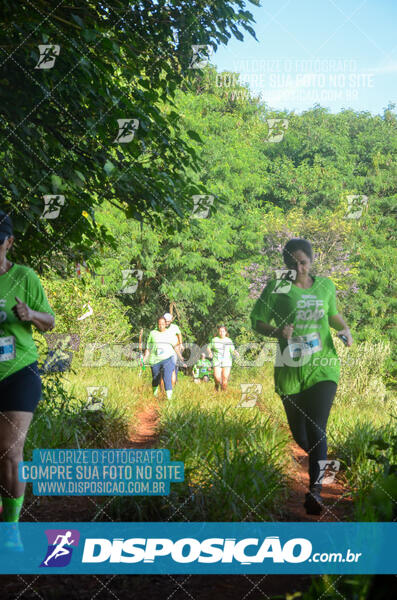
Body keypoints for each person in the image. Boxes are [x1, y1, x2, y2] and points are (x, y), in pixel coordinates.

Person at [250, 238, 353, 515]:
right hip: (290, 369)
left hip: (323, 366)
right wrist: (276, 331)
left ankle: (315, 492)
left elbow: (333, 315)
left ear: (312, 260)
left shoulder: (325, 286)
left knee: (318, 425)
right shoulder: (279, 285)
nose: (299, 267)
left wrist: (344, 329)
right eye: (293, 263)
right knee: (301, 435)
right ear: (286, 264)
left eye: (304, 261)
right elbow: (256, 319)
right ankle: (323, 461)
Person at [0, 210, 55, 545]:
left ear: (9, 242)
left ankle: (12, 529)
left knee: (9, 450)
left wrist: (29, 314)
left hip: (19, 371)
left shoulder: (24, 277)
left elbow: (49, 321)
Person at [143, 316, 186, 400]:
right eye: (159, 324)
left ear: (165, 324)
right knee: (156, 379)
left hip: (168, 359)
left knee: (167, 378)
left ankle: (169, 400)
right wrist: (144, 358)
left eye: (163, 324)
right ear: (157, 324)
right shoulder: (152, 333)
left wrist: (180, 356)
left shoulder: (170, 334)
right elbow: (148, 348)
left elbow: (175, 347)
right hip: (155, 360)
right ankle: (155, 396)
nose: (161, 326)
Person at [207, 325, 239, 392]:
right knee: (217, 378)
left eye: (223, 331)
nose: (221, 333)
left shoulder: (229, 340)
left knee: (224, 380)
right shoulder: (214, 339)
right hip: (217, 361)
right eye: (220, 331)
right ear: (218, 332)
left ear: (226, 332)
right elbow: (208, 347)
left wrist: (235, 352)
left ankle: (222, 395)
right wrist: (210, 352)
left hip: (227, 362)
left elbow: (232, 349)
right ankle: (216, 386)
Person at [163, 312, 183, 386]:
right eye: (166, 321)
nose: (167, 323)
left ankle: (174, 382)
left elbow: (179, 334)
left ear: (171, 321)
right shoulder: (161, 326)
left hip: (175, 348)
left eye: (168, 321)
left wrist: (181, 344)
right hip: (164, 349)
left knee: (174, 366)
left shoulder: (175, 327)